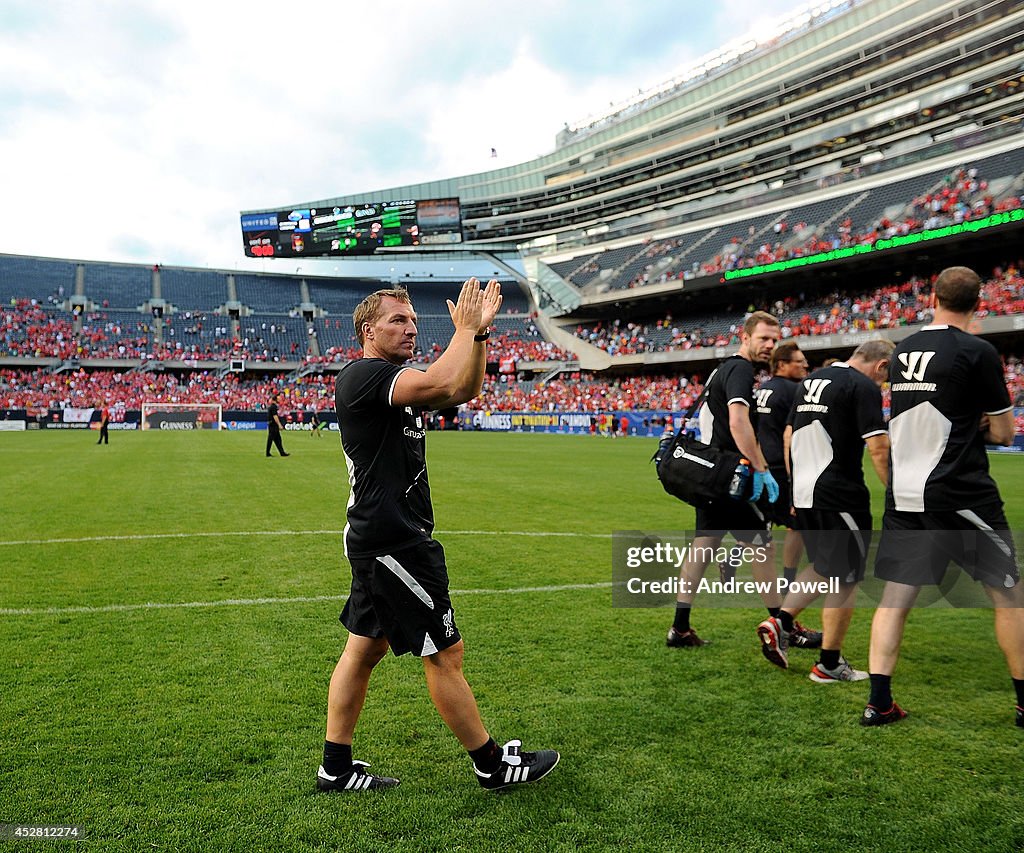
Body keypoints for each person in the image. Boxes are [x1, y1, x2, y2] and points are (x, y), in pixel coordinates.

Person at [319, 279, 559, 792]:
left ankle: (334, 768)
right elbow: (437, 383)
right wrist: (466, 327)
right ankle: (492, 765)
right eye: (397, 321)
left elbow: (462, 389)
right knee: (444, 654)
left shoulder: (391, 379)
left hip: (380, 539)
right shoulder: (365, 375)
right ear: (368, 330)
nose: (410, 328)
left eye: (413, 320)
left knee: (363, 651)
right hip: (394, 542)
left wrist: (478, 337)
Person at [862, 266, 1024, 727]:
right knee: (1008, 594)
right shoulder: (978, 350)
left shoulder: (903, 349)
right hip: (959, 490)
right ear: (979, 304)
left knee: (896, 597)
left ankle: (879, 702)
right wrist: (976, 425)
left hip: (905, 491)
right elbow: (1005, 431)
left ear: (933, 296)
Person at [756, 339, 893, 681]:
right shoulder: (861, 386)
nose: (885, 384)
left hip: (805, 490)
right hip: (838, 493)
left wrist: (792, 484)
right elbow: (878, 447)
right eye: (887, 376)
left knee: (824, 567)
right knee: (846, 579)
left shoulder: (811, 381)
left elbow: (789, 435)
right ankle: (829, 664)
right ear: (880, 365)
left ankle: (781, 622)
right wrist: (897, 490)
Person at [666, 311, 783, 648]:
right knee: (763, 545)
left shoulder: (726, 367)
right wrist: (761, 469)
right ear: (745, 337)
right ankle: (781, 624)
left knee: (704, 545)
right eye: (763, 338)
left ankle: (680, 627)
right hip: (729, 474)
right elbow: (737, 422)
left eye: (774, 340)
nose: (770, 346)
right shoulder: (741, 369)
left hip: (711, 475)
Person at [752, 341, 822, 651]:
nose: (806, 368)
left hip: (761, 467)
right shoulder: (795, 391)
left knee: (761, 537)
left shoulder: (764, 389)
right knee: (798, 524)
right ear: (782, 364)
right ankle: (789, 591)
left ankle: (781, 595)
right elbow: (793, 436)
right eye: (800, 363)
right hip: (784, 470)